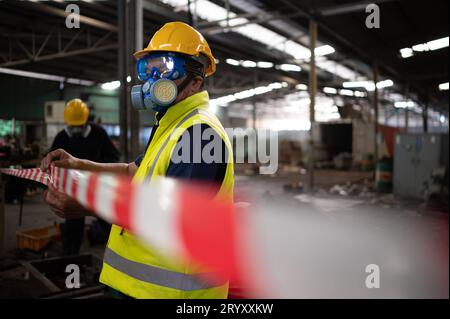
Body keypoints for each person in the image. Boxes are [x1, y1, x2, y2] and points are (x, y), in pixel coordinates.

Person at [41, 22, 234, 299]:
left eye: (166, 68)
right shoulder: (172, 125)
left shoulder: (200, 134)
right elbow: (133, 171)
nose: (153, 78)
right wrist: (78, 163)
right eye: (149, 68)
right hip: (141, 287)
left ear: (195, 83)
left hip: (173, 293)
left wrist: (88, 204)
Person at [48, 98, 120, 255]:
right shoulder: (62, 138)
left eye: (79, 125)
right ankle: (71, 258)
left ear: (87, 120)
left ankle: (118, 252)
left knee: (108, 220)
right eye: (73, 126)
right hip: (73, 189)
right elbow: (53, 163)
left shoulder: (98, 133)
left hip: (98, 185)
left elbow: (114, 156)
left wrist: (96, 169)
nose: (76, 129)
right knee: (73, 224)